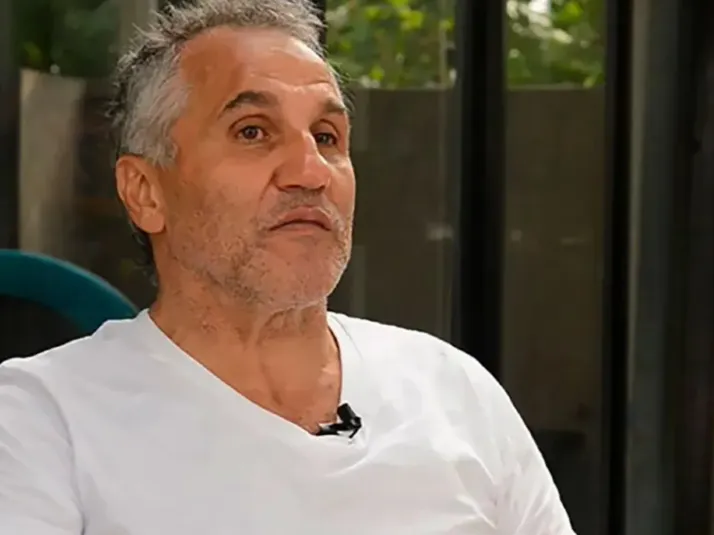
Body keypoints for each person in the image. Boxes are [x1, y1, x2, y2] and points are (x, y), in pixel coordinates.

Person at [0, 0, 576, 533]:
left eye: (327, 136)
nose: (311, 171)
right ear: (145, 192)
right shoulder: (42, 421)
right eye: (253, 132)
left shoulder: (452, 391)